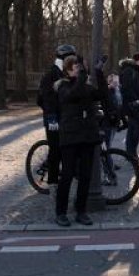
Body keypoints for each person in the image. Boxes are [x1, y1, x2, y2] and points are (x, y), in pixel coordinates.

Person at [53, 55, 104, 227]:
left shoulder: (86, 86)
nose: (79, 69)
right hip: (70, 136)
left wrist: (99, 73)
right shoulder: (63, 87)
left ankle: (81, 210)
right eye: (75, 67)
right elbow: (73, 94)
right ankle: (61, 212)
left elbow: (102, 95)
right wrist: (82, 77)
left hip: (87, 135)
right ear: (67, 70)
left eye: (79, 67)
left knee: (85, 176)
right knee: (67, 174)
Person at [38, 45, 76, 192]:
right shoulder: (51, 74)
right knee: (55, 149)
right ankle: (52, 182)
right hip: (53, 118)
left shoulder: (68, 74)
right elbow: (46, 99)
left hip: (66, 117)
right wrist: (52, 118)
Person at [119, 54, 139, 159]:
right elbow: (127, 88)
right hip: (133, 105)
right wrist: (135, 100)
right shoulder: (129, 71)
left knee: (135, 128)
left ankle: (131, 153)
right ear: (137, 61)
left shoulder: (136, 71)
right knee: (135, 128)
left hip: (137, 104)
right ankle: (131, 153)